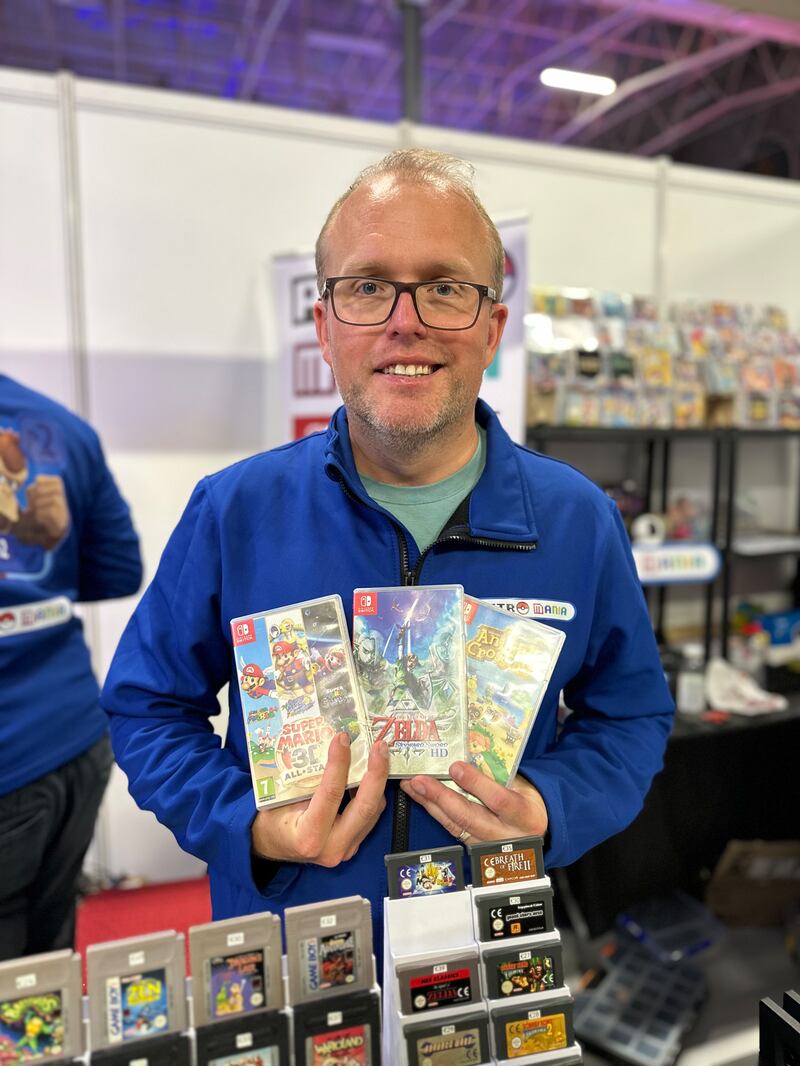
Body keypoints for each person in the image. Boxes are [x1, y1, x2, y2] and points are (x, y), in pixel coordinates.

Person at [102, 149, 674, 963]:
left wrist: (551, 805)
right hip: (289, 949)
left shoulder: (579, 520)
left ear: (492, 329)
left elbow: (633, 714)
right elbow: (147, 706)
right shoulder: (235, 510)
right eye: (368, 286)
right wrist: (252, 826)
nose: (405, 321)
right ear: (325, 326)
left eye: (445, 286)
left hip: (489, 958)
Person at [0, 374, 142, 960]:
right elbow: (117, 569)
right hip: (74, 735)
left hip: (17, 749)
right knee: (47, 957)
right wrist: (37, 560)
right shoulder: (60, 425)